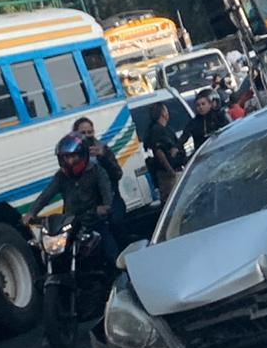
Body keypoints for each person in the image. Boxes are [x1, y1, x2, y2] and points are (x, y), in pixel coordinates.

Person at [22, 133, 119, 265]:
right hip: (71, 224)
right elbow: (46, 195)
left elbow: (107, 193)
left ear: (82, 155)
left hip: (94, 221)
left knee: (112, 254)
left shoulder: (97, 171)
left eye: (73, 156)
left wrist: (105, 207)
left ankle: (118, 272)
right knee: (55, 255)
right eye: (66, 157)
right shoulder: (61, 176)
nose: (69, 161)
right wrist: (31, 213)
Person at [72, 116, 125, 231]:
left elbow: (117, 174)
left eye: (90, 132)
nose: (87, 136)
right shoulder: (73, 156)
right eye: (83, 133)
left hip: (111, 200)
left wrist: (102, 157)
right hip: (89, 207)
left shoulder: (103, 149)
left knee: (116, 225)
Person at [143, 102, 185, 203]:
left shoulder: (164, 129)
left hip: (174, 169)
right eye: (166, 111)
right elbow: (159, 151)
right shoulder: (157, 130)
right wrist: (170, 170)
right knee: (173, 201)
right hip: (168, 174)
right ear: (163, 114)